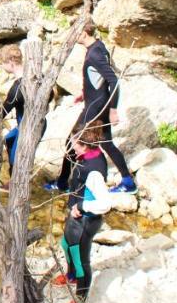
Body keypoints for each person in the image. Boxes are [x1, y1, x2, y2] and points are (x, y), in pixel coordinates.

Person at [53, 24, 133, 193]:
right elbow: (97, 78)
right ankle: (128, 182)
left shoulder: (95, 53)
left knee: (71, 141)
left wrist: (113, 110)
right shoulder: (98, 47)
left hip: (96, 107)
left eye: (75, 32)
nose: (73, 36)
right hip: (97, 102)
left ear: (84, 32)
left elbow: (114, 82)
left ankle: (62, 183)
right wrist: (84, 92)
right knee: (107, 143)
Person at [54, 125, 113, 303]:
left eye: (74, 143)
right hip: (76, 218)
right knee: (65, 244)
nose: (71, 146)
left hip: (86, 221)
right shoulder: (91, 155)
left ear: (84, 145)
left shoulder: (93, 170)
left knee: (81, 261)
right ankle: (71, 276)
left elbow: (104, 203)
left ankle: (79, 300)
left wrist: (81, 207)